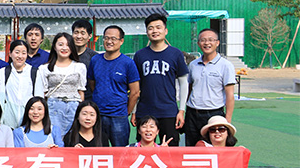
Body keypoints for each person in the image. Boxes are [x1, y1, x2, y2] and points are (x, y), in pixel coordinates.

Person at [133, 13, 189, 146]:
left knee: (170, 149)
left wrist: (181, 110)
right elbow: (135, 86)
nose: (154, 31)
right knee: (143, 149)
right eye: (150, 28)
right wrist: (134, 111)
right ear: (146, 32)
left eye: (158, 27)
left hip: (168, 111)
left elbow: (183, 83)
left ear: (165, 31)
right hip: (145, 111)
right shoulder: (140, 55)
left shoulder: (175, 54)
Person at [88, 25, 140, 147]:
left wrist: (126, 112)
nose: (109, 41)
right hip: (98, 115)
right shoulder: (95, 60)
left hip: (119, 117)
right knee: (98, 151)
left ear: (121, 41)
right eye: (106, 38)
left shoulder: (128, 63)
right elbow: (92, 84)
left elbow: (135, 92)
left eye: (113, 38)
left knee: (121, 152)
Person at [184, 28, 236, 147]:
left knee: (213, 149)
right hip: (192, 113)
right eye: (203, 40)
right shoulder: (193, 65)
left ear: (217, 43)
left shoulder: (225, 65)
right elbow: (190, 88)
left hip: (214, 113)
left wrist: (227, 120)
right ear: (198, 43)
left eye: (210, 40)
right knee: (191, 148)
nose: (207, 43)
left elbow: (230, 95)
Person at [34, 32, 86, 136]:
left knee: (72, 137)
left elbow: (81, 91)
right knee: (54, 137)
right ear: (54, 47)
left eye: (68, 45)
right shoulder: (44, 68)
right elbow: (43, 94)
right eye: (60, 44)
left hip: (74, 106)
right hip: (53, 107)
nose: (64, 48)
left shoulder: (80, 67)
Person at [1, 40, 37, 128]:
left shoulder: (34, 72)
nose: (20, 56)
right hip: (8, 122)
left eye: (24, 53)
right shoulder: (3, 72)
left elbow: (38, 97)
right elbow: (0, 98)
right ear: (10, 54)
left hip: (29, 121)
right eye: (17, 52)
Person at [71, 19, 97, 100]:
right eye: (76, 32)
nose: (79, 36)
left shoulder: (94, 57)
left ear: (90, 36)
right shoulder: (64, 55)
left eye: (83, 33)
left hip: (88, 100)